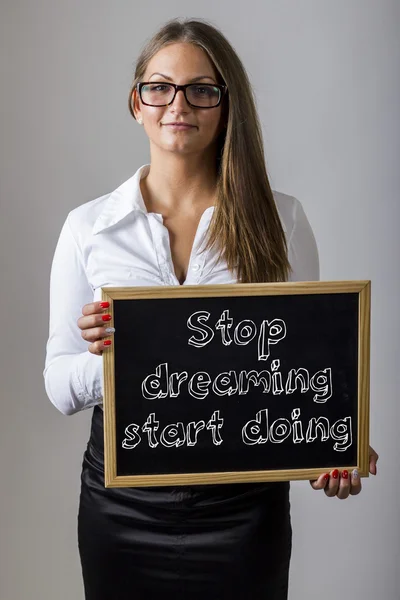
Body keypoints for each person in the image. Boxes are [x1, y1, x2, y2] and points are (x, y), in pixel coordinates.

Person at [43, 17, 378, 600]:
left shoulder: (282, 219)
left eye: (202, 89)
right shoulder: (87, 228)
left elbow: (303, 376)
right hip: (120, 507)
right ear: (136, 103)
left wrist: (335, 446)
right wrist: (113, 359)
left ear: (227, 105)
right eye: (160, 87)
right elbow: (57, 383)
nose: (179, 104)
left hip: (244, 511)